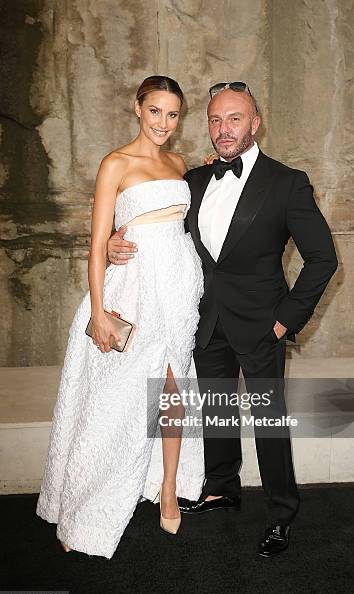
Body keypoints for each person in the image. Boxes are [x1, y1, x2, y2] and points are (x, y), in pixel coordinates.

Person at [107, 81, 338, 558]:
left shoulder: (286, 182)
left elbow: (323, 259)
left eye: (234, 119)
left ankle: (281, 512)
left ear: (255, 124)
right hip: (203, 319)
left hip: (262, 323)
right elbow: (154, 228)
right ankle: (222, 487)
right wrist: (113, 242)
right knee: (215, 407)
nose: (223, 129)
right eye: (215, 120)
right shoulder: (192, 180)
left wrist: (285, 321)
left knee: (270, 421)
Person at [36, 75, 204, 559]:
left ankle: (168, 488)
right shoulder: (115, 164)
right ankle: (84, 509)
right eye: (156, 111)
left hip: (179, 290)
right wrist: (100, 312)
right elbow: (96, 247)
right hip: (131, 294)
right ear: (137, 108)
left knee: (174, 390)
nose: (164, 124)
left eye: (173, 114)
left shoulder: (178, 163)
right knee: (111, 402)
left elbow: (179, 225)